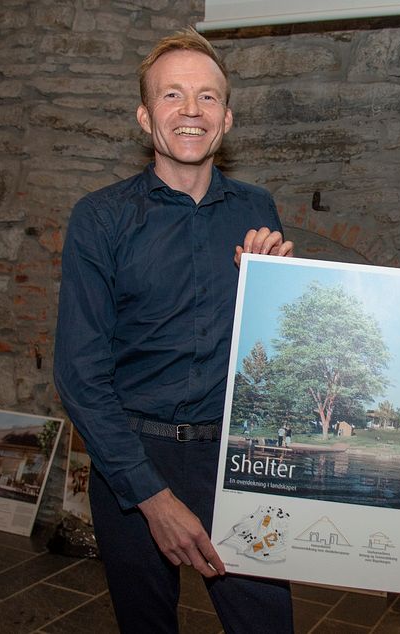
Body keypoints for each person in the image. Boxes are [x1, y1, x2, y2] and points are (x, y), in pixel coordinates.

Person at [54, 28, 294, 633]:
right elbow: (80, 375)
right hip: (132, 456)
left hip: (231, 459)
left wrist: (271, 288)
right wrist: (151, 499)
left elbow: (273, 354)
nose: (191, 111)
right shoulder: (100, 219)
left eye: (207, 97)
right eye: (172, 96)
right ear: (144, 115)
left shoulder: (256, 209)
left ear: (228, 118)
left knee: (266, 622)